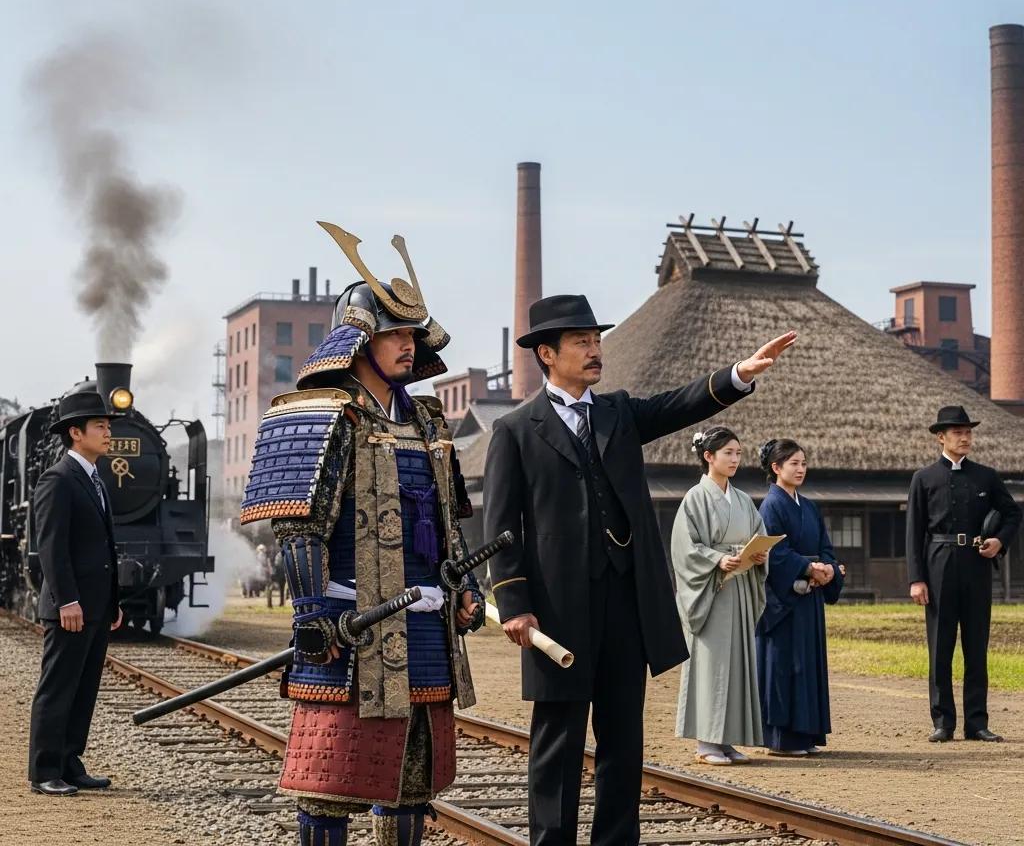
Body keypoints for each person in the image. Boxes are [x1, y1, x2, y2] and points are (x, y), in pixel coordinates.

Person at [484, 292, 796, 846]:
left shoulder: (618, 412)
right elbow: (502, 527)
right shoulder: (515, 429)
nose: (594, 349)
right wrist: (514, 602)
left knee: (624, 739)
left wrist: (739, 375)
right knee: (557, 739)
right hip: (557, 611)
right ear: (547, 354)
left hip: (626, 602)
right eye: (581, 342)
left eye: (596, 339)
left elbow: (680, 404)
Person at [240, 223, 485, 846]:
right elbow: (299, 530)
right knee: (330, 784)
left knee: (412, 783)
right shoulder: (320, 414)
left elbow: (446, 521)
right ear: (360, 339)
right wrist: (314, 613)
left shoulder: (428, 420)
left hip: (424, 626)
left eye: (410, 335)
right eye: (393, 333)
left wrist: (465, 584)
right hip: (350, 629)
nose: (406, 346)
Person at [28, 381, 123, 796]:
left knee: (84, 688)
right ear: (76, 433)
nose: (108, 433)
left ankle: (69, 761)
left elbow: (103, 546)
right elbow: (51, 547)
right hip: (71, 606)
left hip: (97, 606)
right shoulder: (58, 479)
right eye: (100, 425)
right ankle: (44, 770)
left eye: (108, 425)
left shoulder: (96, 479)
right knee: (58, 687)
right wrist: (67, 599)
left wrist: (113, 601)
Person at [906, 406, 1021, 743]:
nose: (965, 437)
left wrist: (999, 541)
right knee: (940, 647)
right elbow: (914, 533)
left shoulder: (987, 476)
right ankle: (943, 722)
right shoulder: (923, 478)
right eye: (958, 432)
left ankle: (977, 723)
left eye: (968, 431)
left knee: (976, 646)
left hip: (976, 565)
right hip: (938, 563)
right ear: (940, 437)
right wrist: (916, 578)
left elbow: (1013, 513)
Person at [672, 426, 767, 765]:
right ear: (708, 457)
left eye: (738, 454)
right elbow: (685, 548)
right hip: (712, 589)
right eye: (728, 453)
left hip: (739, 586)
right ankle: (706, 742)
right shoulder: (695, 498)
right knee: (712, 664)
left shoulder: (741, 499)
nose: (735, 460)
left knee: (737, 663)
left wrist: (758, 555)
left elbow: (759, 533)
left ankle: (727, 740)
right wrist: (717, 559)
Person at [755, 438, 843, 757]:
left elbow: (825, 547)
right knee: (785, 666)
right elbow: (774, 554)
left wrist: (829, 568)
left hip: (809, 600)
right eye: (794, 463)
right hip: (785, 604)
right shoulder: (771, 506)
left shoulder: (809, 506)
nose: (801, 469)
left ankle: (806, 735)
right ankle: (782, 739)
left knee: (808, 666)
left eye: (804, 463)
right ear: (776, 468)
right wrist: (809, 567)